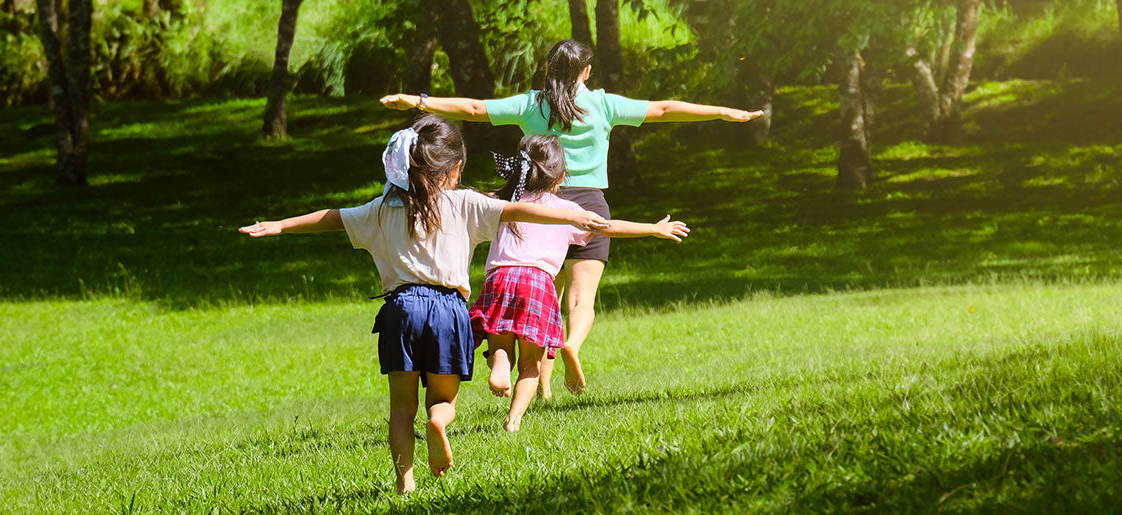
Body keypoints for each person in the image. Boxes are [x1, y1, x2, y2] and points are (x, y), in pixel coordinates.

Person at [238, 115, 609, 494]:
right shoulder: (466, 203)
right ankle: (439, 423)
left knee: (400, 409)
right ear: (455, 168)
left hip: (400, 311)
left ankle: (405, 482)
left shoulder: (382, 209)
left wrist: (281, 224)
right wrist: (573, 214)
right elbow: (522, 210)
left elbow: (332, 217)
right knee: (443, 399)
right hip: (449, 311)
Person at [380, 38, 762, 397]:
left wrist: (418, 100)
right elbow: (663, 109)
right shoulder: (603, 104)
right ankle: (571, 344)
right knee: (580, 300)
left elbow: (475, 109)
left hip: (537, 207)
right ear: (587, 71)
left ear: (549, 68)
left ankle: (542, 388)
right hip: (589, 205)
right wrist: (722, 112)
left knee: (548, 294)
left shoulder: (532, 105)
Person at [471, 134, 689, 432]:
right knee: (531, 364)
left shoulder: (504, 202)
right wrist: (653, 228)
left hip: (499, 278)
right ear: (560, 178)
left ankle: (499, 364)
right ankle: (514, 421)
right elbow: (608, 227)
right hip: (536, 282)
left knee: (501, 344)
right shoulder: (568, 211)